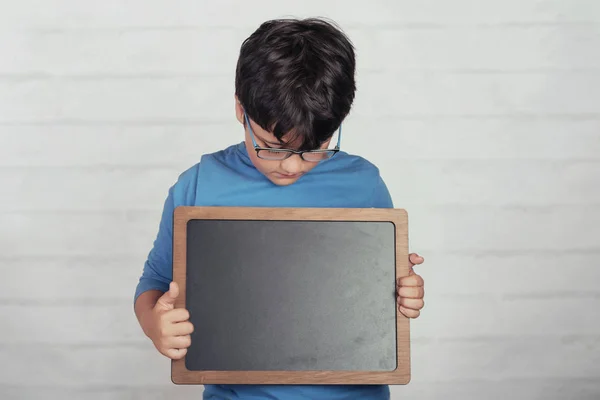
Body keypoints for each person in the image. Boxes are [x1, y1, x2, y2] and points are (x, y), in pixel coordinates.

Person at [134, 17, 425, 400]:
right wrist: (157, 324)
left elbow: (379, 293)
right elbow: (154, 282)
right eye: (273, 145)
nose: (292, 165)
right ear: (241, 110)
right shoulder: (199, 184)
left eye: (315, 147)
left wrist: (406, 292)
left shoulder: (364, 183)